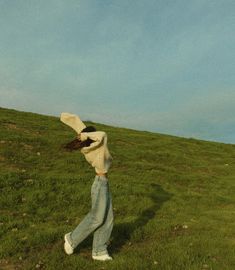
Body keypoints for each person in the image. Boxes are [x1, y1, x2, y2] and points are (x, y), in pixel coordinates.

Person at [60, 113, 114, 261]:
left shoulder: (92, 145)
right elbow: (102, 134)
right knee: (97, 218)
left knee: (108, 219)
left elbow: (86, 131)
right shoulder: (93, 147)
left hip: (103, 183)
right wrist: (84, 136)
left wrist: (80, 129)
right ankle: (72, 239)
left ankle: (99, 251)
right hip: (100, 184)